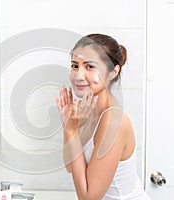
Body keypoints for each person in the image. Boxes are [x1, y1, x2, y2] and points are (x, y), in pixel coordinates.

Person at [56, 33, 149, 199]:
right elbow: (70, 165)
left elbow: (88, 198)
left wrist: (71, 131)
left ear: (113, 72)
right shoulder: (89, 110)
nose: (78, 75)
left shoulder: (113, 121)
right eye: (75, 66)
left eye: (90, 67)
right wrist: (69, 127)